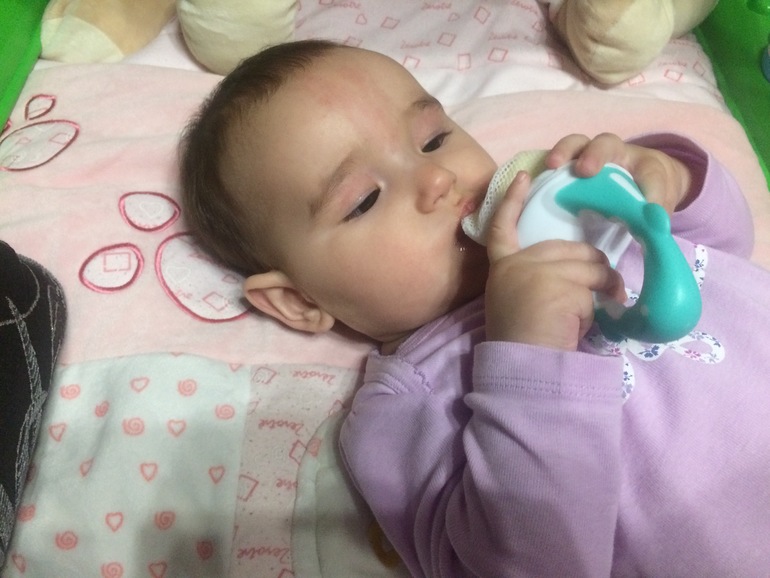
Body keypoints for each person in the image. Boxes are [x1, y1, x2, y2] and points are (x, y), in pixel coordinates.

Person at [180, 39, 770, 576]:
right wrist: (531, 354)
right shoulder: (404, 409)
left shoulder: (580, 218)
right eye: (364, 200)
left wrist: (668, 179)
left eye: (434, 138)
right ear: (298, 300)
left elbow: (728, 245)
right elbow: (531, 565)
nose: (437, 178)